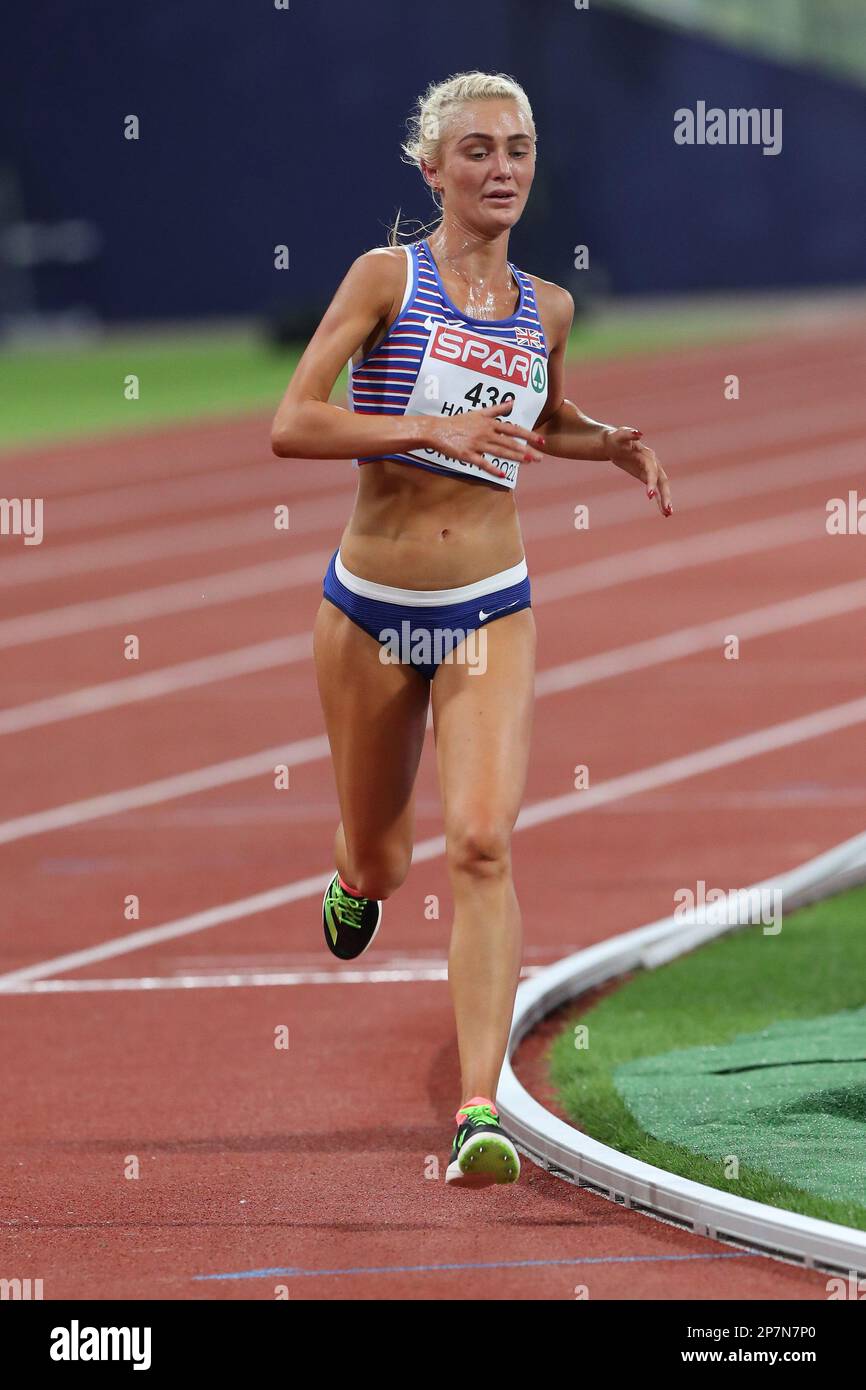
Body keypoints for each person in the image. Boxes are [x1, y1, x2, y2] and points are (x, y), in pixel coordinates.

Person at [271, 71, 672, 1187]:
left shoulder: (548, 308)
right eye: (479, 151)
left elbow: (540, 421)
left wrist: (608, 443)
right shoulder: (383, 278)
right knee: (384, 854)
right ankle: (351, 872)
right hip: (367, 610)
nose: (502, 170)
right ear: (432, 168)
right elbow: (292, 420)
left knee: (483, 842)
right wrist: (425, 432)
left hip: (487, 606)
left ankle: (474, 1109)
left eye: (520, 150)